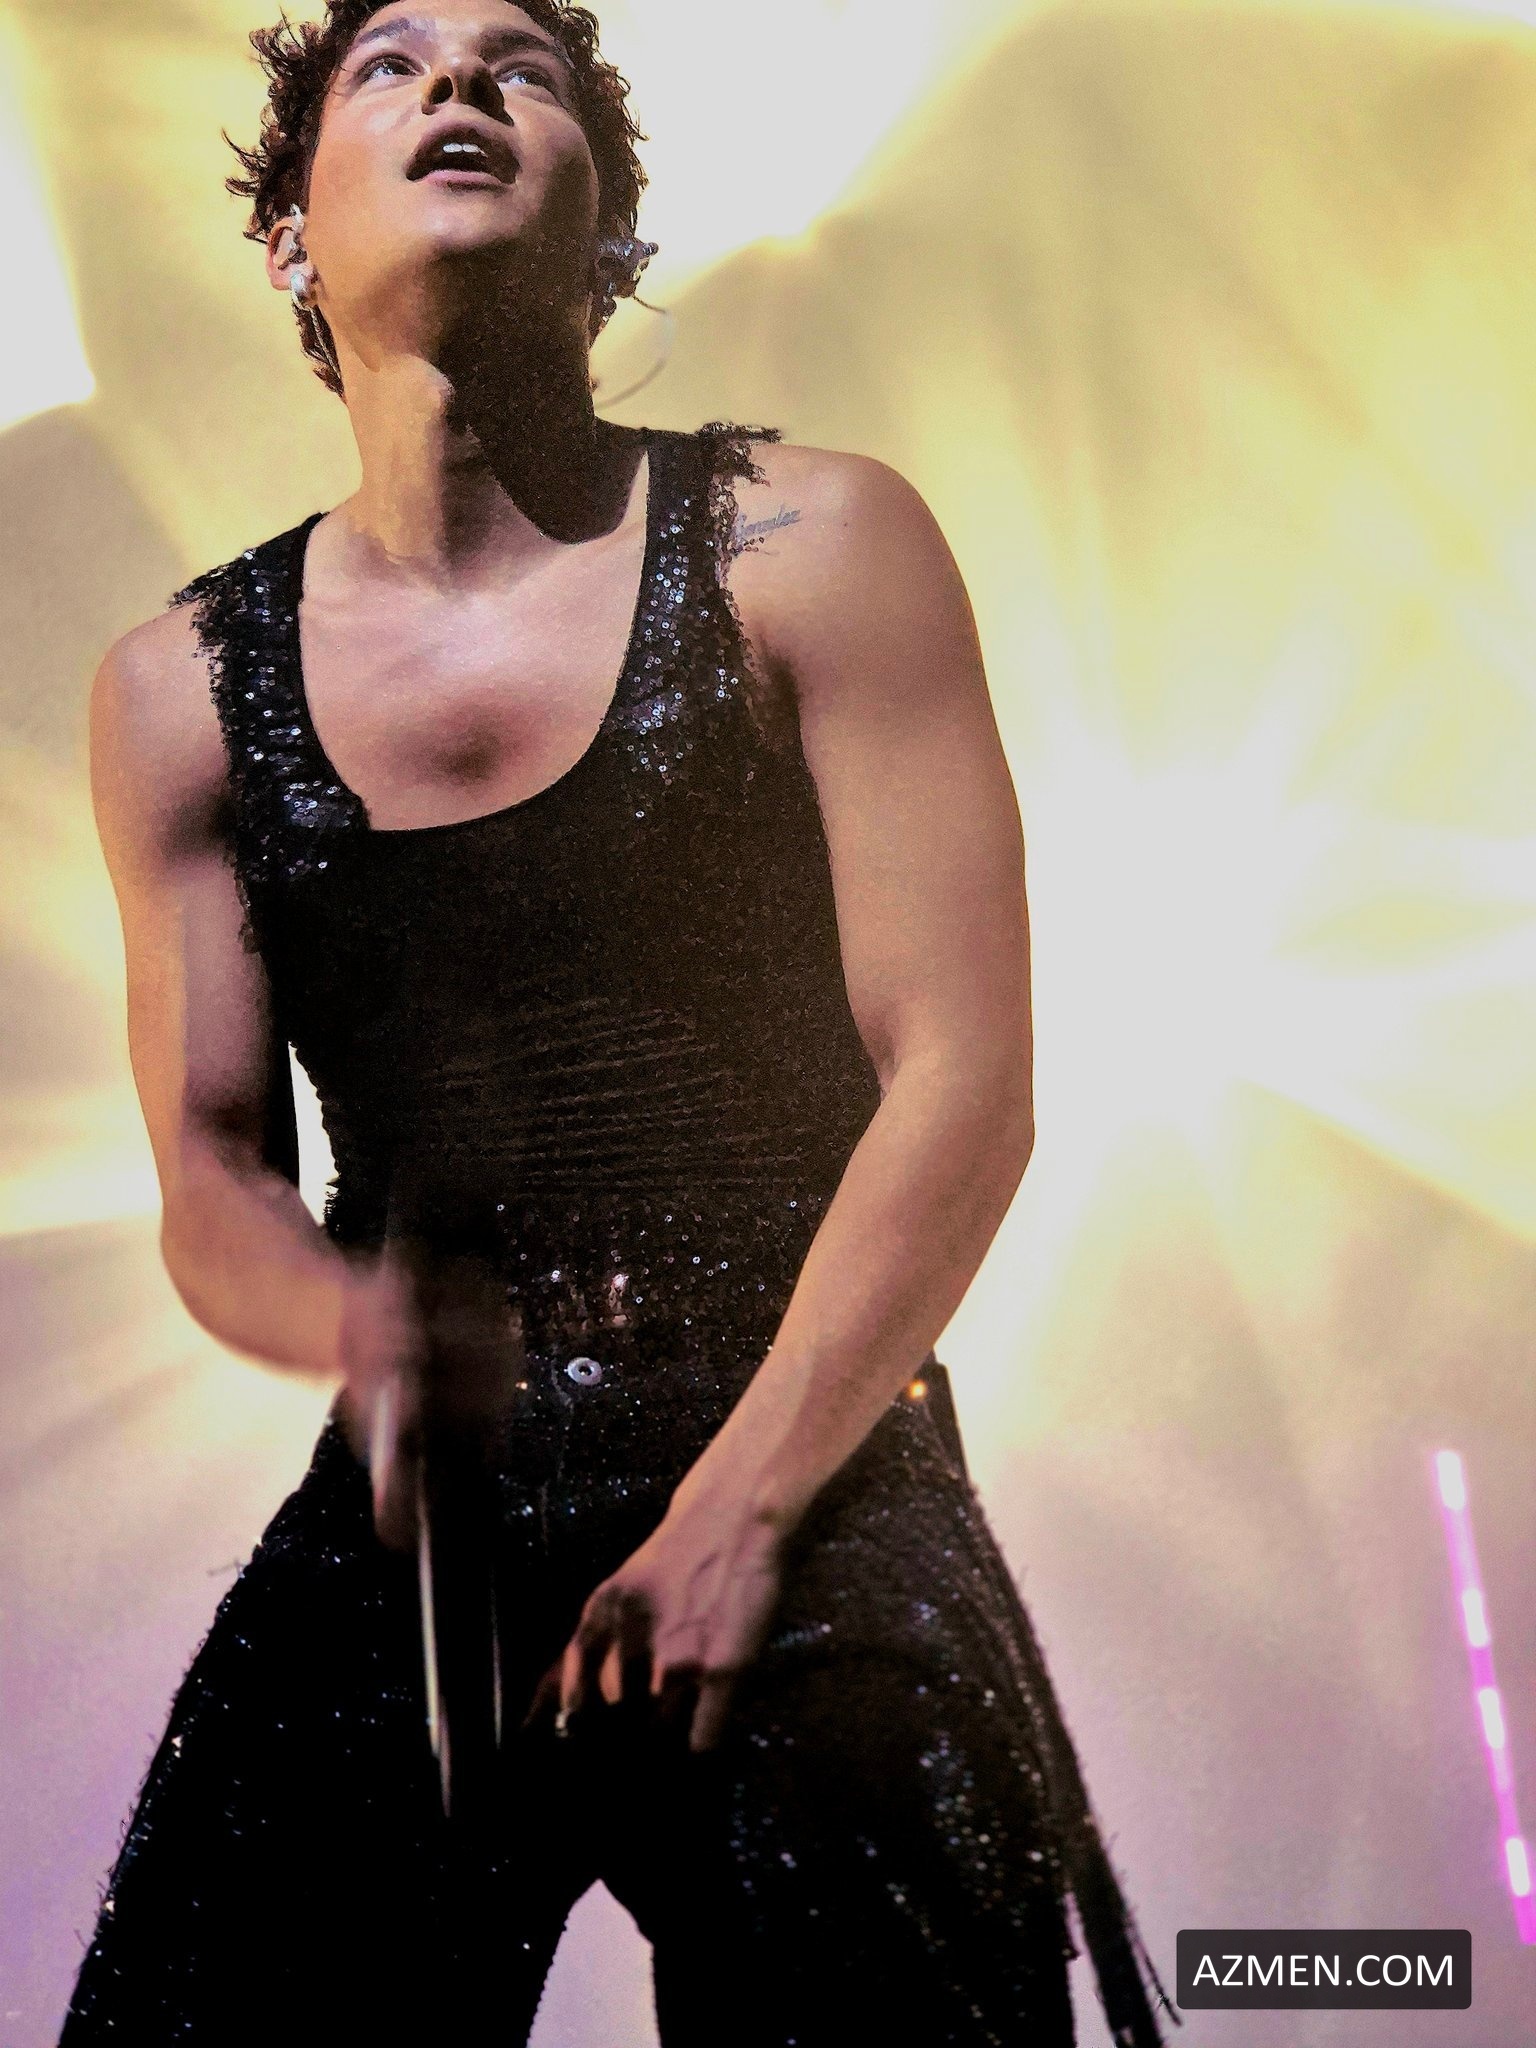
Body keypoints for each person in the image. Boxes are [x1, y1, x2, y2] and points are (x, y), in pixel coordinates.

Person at [60, 3, 1179, 2043]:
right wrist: (355, 1329)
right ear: (290, 237)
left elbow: (965, 1078)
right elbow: (211, 1172)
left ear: (613, 225)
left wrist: (743, 1512)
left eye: (525, 65)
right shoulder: (171, 695)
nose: (460, 84)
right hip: (426, 1507)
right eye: (391, 63)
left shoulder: (810, 547)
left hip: (808, 1451)